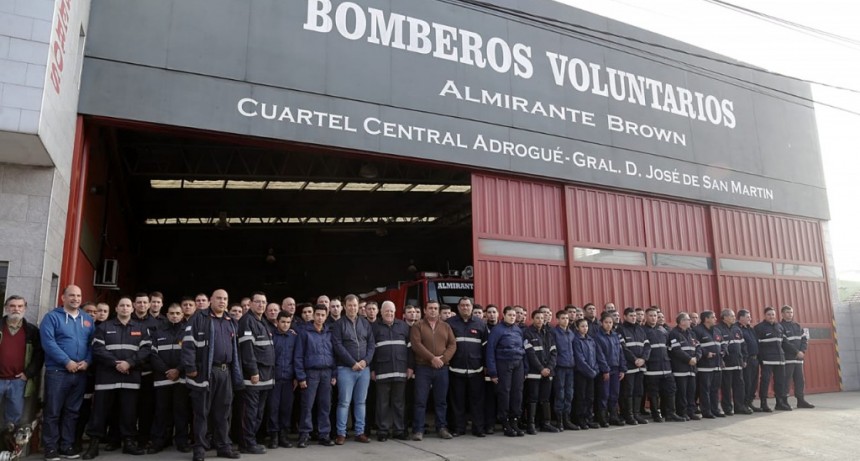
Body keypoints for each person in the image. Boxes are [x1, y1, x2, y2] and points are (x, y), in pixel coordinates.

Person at [81, 297, 151, 459]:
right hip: (107, 378)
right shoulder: (104, 327)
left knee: (129, 412)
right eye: (122, 305)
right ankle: (94, 444)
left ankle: (128, 442)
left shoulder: (141, 328)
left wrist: (129, 363)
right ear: (117, 308)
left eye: (128, 305)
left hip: (130, 377)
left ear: (132, 309)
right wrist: (115, 363)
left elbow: (146, 350)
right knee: (99, 412)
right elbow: (97, 349)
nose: (125, 308)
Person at [181, 289, 243, 461]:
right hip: (204, 372)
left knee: (223, 412)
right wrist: (190, 367)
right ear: (210, 300)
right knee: (201, 412)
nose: (222, 302)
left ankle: (223, 446)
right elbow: (188, 344)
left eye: (225, 299)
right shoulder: (199, 318)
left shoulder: (231, 321)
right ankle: (199, 448)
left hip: (225, 372)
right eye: (218, 298)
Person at [40, 285, 95, 461]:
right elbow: (48, 343)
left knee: (73, 412)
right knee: (53, 411)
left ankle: (66, 446)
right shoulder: (51, 317)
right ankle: (50, 448)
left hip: (79, 373)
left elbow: (92, 344)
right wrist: (66, 361)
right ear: (63, 298)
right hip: (57, 372)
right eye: (71, 295)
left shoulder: (87, 320)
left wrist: (87, 361)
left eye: (78, 295)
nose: (75, 298)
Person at [409, 300, 456, 441]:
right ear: (425, 310)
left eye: (436, 308)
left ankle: (441, 427)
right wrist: (432, 358)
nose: (433, 311)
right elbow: (416, 345)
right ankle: (418, 430)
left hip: (442, 368)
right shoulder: (417, 326)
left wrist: (442, 359)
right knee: (420, 400)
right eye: (430, 308)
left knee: (441, 401)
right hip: (423, 368)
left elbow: (452, 345)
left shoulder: (446, 326)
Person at [331, 294, 375, 445]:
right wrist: (352, 363)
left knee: (361, 402)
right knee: (344, 402)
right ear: (344, 307)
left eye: (355, 305)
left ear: (358, 307)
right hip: (345, 369)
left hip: (364, 369)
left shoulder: (365, 323)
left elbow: (371, 344)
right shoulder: (338, 324)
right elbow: (337, 346)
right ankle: (341, 434)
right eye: (349, 305)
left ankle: (359, 432)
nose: (352, 308)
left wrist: (365, 361)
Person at [147, 303, 190, 454]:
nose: (175, 316)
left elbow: (189, 355)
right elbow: (153, 354)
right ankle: (158, 441)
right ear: (167, 314)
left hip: (181, 379)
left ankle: (182, 441)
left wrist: (178, 370)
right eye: (171, 313)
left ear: (182, 314)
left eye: (178, 313)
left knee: (181, 411)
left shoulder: (187, 332)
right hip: (162, 378)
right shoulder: (158, 332)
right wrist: (167, 371)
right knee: (161, 411)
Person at [237, 292, 276, 454]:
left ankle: (251, 440)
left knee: (259, 412)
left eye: (263, 302)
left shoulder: (262, 321)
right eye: (258, 302)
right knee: (250, 412)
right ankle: (247, 443)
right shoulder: (247, 321)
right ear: (251, 303)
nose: (261, 305)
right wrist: (253, 371)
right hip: (254, 376)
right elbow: (247, 351)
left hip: (266, 376)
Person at [294, 304, 336, 448]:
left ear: (326, 316)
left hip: (326, 372)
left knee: (325, 405)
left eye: (322, 315)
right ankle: (304, 435)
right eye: (317, 314)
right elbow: (298, 356)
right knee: (307, 405)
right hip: (310, 373)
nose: (319, 317)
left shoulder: (329, 332)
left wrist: (334, 373)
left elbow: (334, 354)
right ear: (313, 316)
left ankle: (324, 435)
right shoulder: (305, 332)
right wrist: (301, 376)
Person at [371, 301, 412, 441]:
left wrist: (410, 367)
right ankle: (382, 431)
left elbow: (410, 349)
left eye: (392, 311)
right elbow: (371, 351)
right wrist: (372, 369)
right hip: (382, 372)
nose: (389, 314)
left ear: (396, 312)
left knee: (399, 403)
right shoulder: (374, 328)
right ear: (381, 312)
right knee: (382, 403)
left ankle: (399, 430)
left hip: (400, 372)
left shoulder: (404, 326)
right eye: (386, 311)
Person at [446, 296, 488, 437]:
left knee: (477, 402)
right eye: (462, 305)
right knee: (457, 402)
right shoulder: (450, 323)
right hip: (455, 370)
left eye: (467, 305)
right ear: (458, 308)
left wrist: (486, 366)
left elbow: (485, 347)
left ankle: (478, 429)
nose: (465, 308)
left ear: (472, 307)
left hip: (476, 370)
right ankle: (458, 428)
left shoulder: (480, 324)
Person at [0, 296, 44, 429]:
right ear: (6, 308)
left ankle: (7, 447)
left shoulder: (31, 331)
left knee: (13, 421)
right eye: (12, 306)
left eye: (20, 306)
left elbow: (39, 355)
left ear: (25, 308)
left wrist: (28, 373)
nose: (16, 309)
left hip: (18, 381)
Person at [486, 306, 525, 438]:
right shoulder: (497, 330)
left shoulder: (518, 330)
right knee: (505, 393)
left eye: (514, 315)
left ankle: (515, 421)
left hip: (518, 364)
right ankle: (505, 422)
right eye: (510, 315)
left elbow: (523, 348)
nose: (512, 317)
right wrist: (492, 372)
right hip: (503, 364)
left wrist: (525, 368)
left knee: (517, 393)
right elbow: (490, 350)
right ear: (503, 315)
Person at [643, 307, 684, 422]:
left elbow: (670, 348)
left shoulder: (663, 330)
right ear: (646, 317)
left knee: (671, 390)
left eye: (655, 315)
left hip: (666, 367)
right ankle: (656, 414)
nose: (653, 318)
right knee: (654, 393)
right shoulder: (642, 331)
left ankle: (671, 413)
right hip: (652, 368)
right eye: (651, 315)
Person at [523, 310, 559, 434]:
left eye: (542, 318)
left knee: (545, 399)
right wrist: (541, 369)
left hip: (548, 372)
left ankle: (546, 423)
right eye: (537, 318)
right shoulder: (527, 333)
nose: (540, 320)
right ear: (532, 319)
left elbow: (554, 352)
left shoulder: (549, 334)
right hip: (534, 373)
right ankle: (531, 424)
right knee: (532, 398)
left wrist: (549, 368)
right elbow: (530, 354)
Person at [267, 311, 298, 449]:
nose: (285, 325)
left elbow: (298, 358)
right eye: (283, 322)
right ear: (277, 322)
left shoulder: (294, 337)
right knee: (273, 408)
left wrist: (297, 377)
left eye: (288, 322)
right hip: (274, 378)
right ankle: (273, 436)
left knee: (286, 408)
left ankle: (283, 436)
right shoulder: (271, 336)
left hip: (289, 379)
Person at [618, 307, 650, 425]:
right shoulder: (620, 329)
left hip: (641, 366)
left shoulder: (640, 329)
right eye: (631, 316)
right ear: (625, 317)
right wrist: (635, 359)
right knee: (628, 391)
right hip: (630, 366)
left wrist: (643, 359)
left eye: (635, 316)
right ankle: (629, 415)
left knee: (639, 391)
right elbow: (623, 348)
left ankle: (637, 414)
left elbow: (647, 346)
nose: (633, 317)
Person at [755, 306, 791, 412]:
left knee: (780, 382)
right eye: (769, 314)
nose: (771, 316)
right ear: (765, 316)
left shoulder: (779, 327)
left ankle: (779, 403)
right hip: (767, 360)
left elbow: (784, 343)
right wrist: (760, 358)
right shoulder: (759, 328)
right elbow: (757, 345)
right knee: (765, 381)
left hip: (780, 359)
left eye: (773, 315)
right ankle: (763, 403)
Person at [594, 312, 626, 427]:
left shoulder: (615, 336)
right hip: (605, 370)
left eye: (610, 322)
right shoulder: (598, 337)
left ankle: (613, 416)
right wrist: (605, 370)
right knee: (604, 394)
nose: (608, 325)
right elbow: (599, 355)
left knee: (614, 394)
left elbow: (620, 353)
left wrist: (622, 368)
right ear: (601, 323)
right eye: (606, 322)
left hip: (616, 369)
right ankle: (602, 417)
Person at [717, 309, 751, 415]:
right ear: (725, 317)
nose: (733, 318)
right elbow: (718, 348)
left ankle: (739, 407)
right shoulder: (718, 329)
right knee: (726, 387)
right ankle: (727, 408)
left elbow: (743, 345)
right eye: (731, 316)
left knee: (739, 386)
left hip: (738, 364)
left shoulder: (737, 329)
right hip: (726, 365)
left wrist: (744, 359)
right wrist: (721, 360)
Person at [780, 305, 814, 409]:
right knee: (787, 380)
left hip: (799, 359)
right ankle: (784, 401)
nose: (789, 314)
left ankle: (801, 400)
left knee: (800, 380)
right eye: (787, 312)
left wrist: (802, 351)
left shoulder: (797, 326)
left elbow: (804, 340)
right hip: (788, 358)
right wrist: (796, 351)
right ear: (782, 314)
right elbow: (784, 342)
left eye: (791, 312)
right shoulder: (780, 326)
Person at [668, 312, 700, 421]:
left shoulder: (692, 333)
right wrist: (689, 359)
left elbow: (698, 347)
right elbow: (676, 350)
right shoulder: (674, 333)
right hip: (680, 369)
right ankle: (682, 412)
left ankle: (691, 412)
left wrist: (696, 358)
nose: (690, 321)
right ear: (682, 321)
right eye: (688, 319)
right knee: (682, 393)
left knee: (691, 392)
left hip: (692, 368)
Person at [693, 311, 724, 418]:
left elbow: (723, 343)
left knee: (715, 389)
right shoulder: (697, 330)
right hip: (705, 366)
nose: (715, 319)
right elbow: (696, 345)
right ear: (706, 319)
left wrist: (723, 351)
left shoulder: (717, 330)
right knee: (705, 389)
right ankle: (706, 411)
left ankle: (715, 409)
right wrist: (706, 353)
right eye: (713, 317)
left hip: (717, 364)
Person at [551, 309, 577, 431]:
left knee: (569, 394)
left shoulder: (571, 333)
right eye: (563, 318)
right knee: (560, 394)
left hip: (570, 367)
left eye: (567, 318)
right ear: (558, 319)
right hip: (560, 367)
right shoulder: (554, 333)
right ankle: (559, 420)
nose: (565, 320)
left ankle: (567, 419)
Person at [737, 309, 760, 411]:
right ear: (741, 318)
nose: (750, 318)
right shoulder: (738, 329)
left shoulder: (750, 329)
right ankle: (744, 404)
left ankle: (750, 402)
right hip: (747, 360)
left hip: (755, 359)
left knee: (754, 383)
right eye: (747, 317)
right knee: (747, 382)